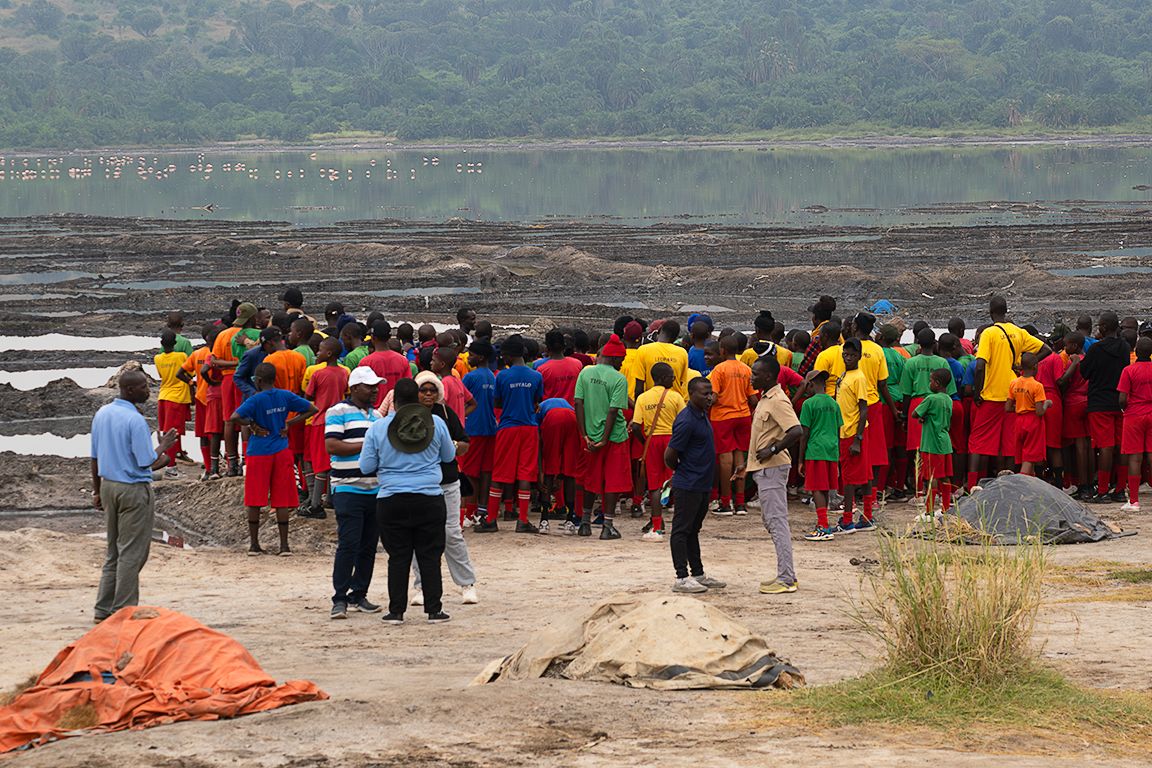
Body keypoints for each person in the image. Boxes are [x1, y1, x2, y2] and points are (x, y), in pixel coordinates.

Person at [360, 378, 455, 625]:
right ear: (417, 397)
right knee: (431, 555)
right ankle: (434, 610)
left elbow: (366, 466)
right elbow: (448, 456)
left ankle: (396, 611)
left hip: (391, 499)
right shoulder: (436, 423)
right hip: (430, 498)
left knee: (399, 556)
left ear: (394, 401)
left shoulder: (378, 428)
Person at [90, 371, 178, 623]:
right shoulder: (135, 420)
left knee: (113, 551)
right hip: (132, 490)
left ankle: (102, 609)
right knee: (131, 552)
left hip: (109, 486)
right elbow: (146, 462)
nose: (148, 390)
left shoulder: (102, 414)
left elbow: (94, 458)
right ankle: (123, 610)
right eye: (143, 387)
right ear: (128, 390)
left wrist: (97, 490)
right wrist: (164, 446)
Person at [230, 363, 317, 556]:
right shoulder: (285, 396)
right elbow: (312, 408)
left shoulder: (256, 399)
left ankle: (254, 545)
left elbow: (234, 417)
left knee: (254, 499)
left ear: (259, 381)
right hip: (281, 450)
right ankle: (284, 546)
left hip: (258, 451)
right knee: (282, 500)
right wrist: (289, 423)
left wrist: (252, 424)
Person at [409, 371, 479, 607]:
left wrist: (453, 447)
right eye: (423, 390)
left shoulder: (446, 414)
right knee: (420, 535)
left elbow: (465, 442)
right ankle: (420, 586)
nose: (428, 394)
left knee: (452, 533)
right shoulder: (408, 415)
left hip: (448, 481)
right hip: (419, 483)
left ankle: (467, 584)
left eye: (432, 390)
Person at [735, 356, 803, 594]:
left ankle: (786, 578)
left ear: (769, 376)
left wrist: (773, 449)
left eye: (755, 373)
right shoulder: (766, 398)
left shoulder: (777, 400)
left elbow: (796, 430)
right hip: (763, 468)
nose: (751, 377)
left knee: (777, 522)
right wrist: (747, 462)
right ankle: (785, 575)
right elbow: (760, 436)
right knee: (772, 521)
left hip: (773, 467)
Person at [968, 296, 1048, 489]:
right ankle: (1009, 485)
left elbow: (980, 365)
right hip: (1014, 395)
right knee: (1009, 444)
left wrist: (977, 392)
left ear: (990, 312)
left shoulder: (989, 333)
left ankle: (972, 485)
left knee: (978, 443)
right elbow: (1046, 349)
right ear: (1006, 311)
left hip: (991, 396)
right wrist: (1021, 366)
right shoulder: (1018, 332)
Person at [325, 366, 384, 619]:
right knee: (348, 544)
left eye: (376, 386)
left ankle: (359, 593)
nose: (375, 390)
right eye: (370, 386)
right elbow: (333, 445)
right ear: (355, 387)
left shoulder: (377, 417)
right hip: (347, 486)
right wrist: (370, 443)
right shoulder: (338, 411)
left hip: (375, 489)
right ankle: (339, 598)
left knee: (368, 546)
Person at [665, 376, 726, 594]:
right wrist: (683, 471)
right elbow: (670, 455)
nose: (710, 397)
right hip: (688, 484)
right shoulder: (686, 420)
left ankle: (698, 574)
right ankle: (681, 577)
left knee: (693, 529)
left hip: (702, 484)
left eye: (711, 393)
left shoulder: (701, 415)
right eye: (705, 393)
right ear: (691, 394)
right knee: (681, 530)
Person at [476, 336, 543, 533]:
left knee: (499, 473)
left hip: (508, 427)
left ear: (508, 356)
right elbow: (536, 400)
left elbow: (498, 403)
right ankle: (522, 520)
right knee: (525, 472)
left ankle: (490, 519)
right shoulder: (535, 376)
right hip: (529, 427)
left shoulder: (502, 377)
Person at [573, 333, 631, 540]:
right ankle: (607, 526)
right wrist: (604, 439)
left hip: (589, 436)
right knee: (612, 481)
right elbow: (614, 411)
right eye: (621, 360)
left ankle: (585, 524)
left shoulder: (585, 373)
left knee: (590, 480)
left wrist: (584, 434)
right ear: (614, 358)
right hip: (614, 437)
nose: (622, 364)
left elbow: (578, 403)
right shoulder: (618, 379)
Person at [631, 362, 686, 542]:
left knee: (654, 485)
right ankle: (681, 525)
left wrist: (645, 442)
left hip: (652, 440)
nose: (674, 379)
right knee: (675, 481)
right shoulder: (676, 397)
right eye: (671, 376)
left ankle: (657, 527)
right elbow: (684, 422)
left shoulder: (643, 398)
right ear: (663, 378)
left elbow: (637, 426)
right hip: (673, 440)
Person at [1081, 311, 1132, 503]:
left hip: (1099, 402)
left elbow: (1084, 373)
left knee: (1105, 448)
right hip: (1119, 401)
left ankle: (1102, 490)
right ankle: (1119, 488)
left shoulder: (1096, 350)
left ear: (1103, 327)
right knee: (1121, 447)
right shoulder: (1124, 348)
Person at [900, 329, 955, 496]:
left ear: (917, 342)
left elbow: (906, 393)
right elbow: (950, 391)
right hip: (938, 405)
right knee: (935, 450)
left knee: (918, 451)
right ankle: (938, 492)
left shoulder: (911, 363)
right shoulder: (943, 363)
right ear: (934, 344)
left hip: (917, 404)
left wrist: (905, 416)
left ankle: (919, 489)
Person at [708, 334, 757, 516]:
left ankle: (725, 502)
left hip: (722, 417)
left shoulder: (719, 370)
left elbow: (713, 397)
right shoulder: (746, 369)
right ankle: (741, 503)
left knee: (724, 459)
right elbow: (752, 397)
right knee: (740, 457)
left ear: (722, 350)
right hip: (743, 416)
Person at [302, 338, 350, 519]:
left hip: (320, 420)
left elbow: (308, 396)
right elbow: (345, 392)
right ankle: (329, 498)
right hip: (338, 420)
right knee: (332, 461)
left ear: (328, 354)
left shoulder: (318, 374)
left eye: (320, 350)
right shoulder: (343, 373)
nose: (317, 353)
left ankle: (315, 505)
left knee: (319, 463)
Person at [210, 301, 260, 477]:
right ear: (253, 318)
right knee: (246, 418)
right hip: (247, 379)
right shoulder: (256, 334)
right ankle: (247, 460)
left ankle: (232, 464)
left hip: (227, 379)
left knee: (229, 420)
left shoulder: (223, 335)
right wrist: (239, 363)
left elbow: (214, 361)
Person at [795, 369, 841, 541]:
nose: (806, 389)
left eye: (807, 385)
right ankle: (824, 523)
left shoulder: (808, 404)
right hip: (831, 449)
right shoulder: (834, 403)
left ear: (812, 384)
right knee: (826, 487)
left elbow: (804, 434)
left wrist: (800, 460)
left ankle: (823, 526)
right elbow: (838, 429)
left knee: (816, 488)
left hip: (815, 449)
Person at [460, 340, 497, 527]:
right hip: (490, 428)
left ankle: (470, 512)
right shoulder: (492, 376)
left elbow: (463, 403)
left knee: (471, 472)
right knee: (485, 471)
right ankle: (482, 510)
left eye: (472, 354)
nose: (469, 357)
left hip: (474, 428)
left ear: (481, 357)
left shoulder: (470, 377)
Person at [836, 338, 871, 533]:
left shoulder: (858, 377)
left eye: (851, 355)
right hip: (844, 430)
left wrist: (858, 438)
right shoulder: (844, 375)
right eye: (845, 354)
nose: (847, 358)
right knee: (862, 474)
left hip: (853, 432)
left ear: (858, 356)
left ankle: (848, 519)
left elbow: (863, 409)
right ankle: (867, 517)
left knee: (850, 478)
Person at [913, 369, 957, 515]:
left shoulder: (931, 399)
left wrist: (922, 416)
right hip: (945, 442)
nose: (929, 383)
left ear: (937, 383)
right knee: (945, 475)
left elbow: (915, 413)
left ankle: (929, 510)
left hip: (932, 444)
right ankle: (946, 507)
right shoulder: (948, 399)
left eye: (931, 381)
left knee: (932, 478)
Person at [179, 323, 219, 478]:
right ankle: (225, 466)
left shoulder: (196, 354)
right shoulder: (219, 354)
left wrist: (192, 382)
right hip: (215, 397)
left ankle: (209, 468)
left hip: (201, 396)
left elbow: (180, 373)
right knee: (219, 433)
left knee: (203, 434)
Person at [1118, 336, 1152, 512]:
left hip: (1134, 415)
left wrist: (1125, 408)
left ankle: (1134, 501)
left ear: (1136, 352)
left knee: (1135, 457)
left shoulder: (1128, 371)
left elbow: (1122, 398)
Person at [538, 396, 583, 532]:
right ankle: (569, 520)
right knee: (570, 472)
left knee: (549, 470)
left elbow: (540, 444)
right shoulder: (565, 403)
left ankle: (544, 520)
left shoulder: (539, 408)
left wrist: (540, 471)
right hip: (572, 418)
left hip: (553, 419)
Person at [1006, 353, 1050, 477]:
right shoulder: (1037, 385)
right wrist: (1047, 404)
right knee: (1029, 458)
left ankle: (1029, 488)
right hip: (1033, 422)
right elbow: (1039, 411)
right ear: (1035, 366)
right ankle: (1022, 485)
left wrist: (1021, 406)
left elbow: (1007, 407)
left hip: (1019, 421)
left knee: (1023, 455)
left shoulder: (1014, 383)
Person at [155, 329, 191, 477]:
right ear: (175, 343)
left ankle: (177, 454)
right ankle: (171, 468)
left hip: (163, 396)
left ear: (162, 344)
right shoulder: (181, 356)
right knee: (173, 432)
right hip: (177, 397)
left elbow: (161, 375)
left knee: (168, 430)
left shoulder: (157, 358)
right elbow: (189, 372)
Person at [360, 320, 413, 407]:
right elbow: (408, 388)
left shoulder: (366, 362)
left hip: (373, 412)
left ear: (373, 338)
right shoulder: (403, 360)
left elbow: (361, 391)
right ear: (389, 337)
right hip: (397, 410)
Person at [631, 319, 689, 397]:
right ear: (675, 338)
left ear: (658, 330)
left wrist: (639, 404)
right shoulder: (682, 353)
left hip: (650, 401)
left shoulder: (643, 350)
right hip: (674, 402)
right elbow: (681, 382)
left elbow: (639, 386)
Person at [537, 329, 584, 404]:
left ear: (546, 349)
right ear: (564, 347)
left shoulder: (542, 370)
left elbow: (538, 395)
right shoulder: (577, 364)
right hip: (572, 411)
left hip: (550, 411)